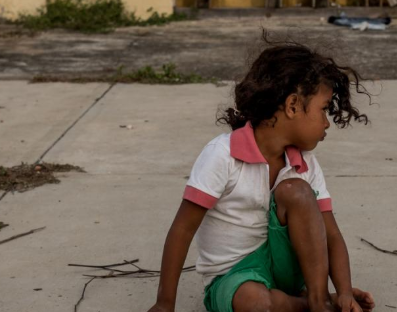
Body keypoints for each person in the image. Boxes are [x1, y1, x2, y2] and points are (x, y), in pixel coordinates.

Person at [146, 37, 376, 312]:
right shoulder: (222, 155)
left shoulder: (305, 164)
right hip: (234, 276)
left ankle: (319, 300)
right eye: (324, 109)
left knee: (297, 190)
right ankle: (307, 304)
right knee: (255, 303)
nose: (327, 122)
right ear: (292, 106)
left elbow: (332, 235)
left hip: (288, 269)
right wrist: (164, 304)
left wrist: (345, 291)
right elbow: (182, 229)